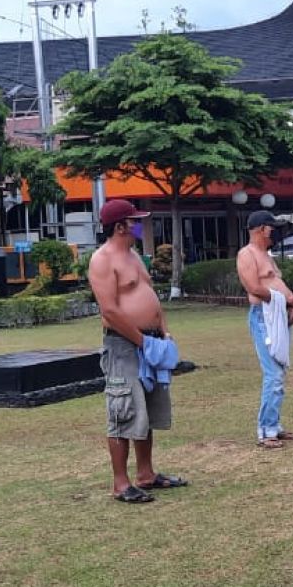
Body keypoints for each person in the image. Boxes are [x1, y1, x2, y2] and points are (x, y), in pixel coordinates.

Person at [88, 199, 187, 504]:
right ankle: (120, 483)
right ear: (120, 226)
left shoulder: (133, 255)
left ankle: (146, 473)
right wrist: (142, 341)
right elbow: (110, 311)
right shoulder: (103, 259)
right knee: (123, 409)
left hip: (151, 341)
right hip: (124, 346)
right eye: (134, 221)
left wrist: (163, 330)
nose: (140, 225)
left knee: (146, 408)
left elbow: (150, 298)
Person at [237, 211, 293, 449]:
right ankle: (266, 430)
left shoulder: (265, 255)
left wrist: (291, 302)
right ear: (260, 229)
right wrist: (286, 300)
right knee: (273, 374)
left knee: (279, 372)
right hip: (263, 316)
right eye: (271, 228)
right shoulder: (247, 254)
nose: (274, 232)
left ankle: (273, 425)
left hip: (276, 316)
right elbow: (254, 287)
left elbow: (272, 283)